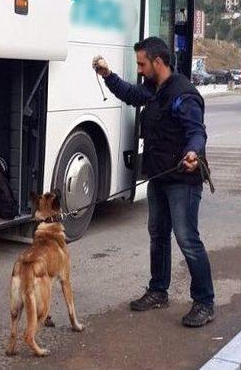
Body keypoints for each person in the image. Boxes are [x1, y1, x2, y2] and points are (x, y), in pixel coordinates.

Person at [92, 37, 215, 327]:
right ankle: (158, 291)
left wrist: (193, 153)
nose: (140, 69)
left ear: (158, 62)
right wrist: (107, 75)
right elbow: (131, 94)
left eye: (142, 63)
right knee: (158, 234)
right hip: (159, 177)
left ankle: (205, 302)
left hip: (183, 180)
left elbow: (197, 132)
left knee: (187, 239)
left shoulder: (184, 95)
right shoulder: (153, 88)